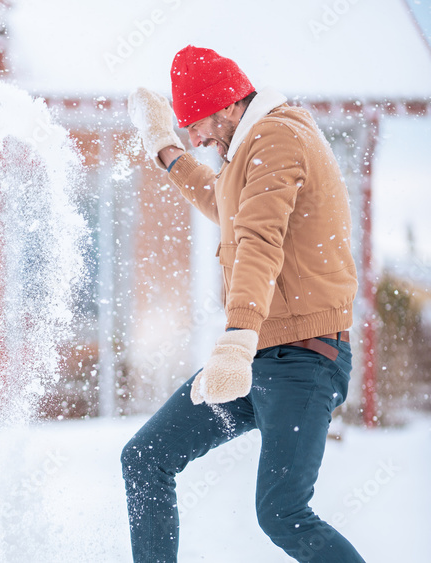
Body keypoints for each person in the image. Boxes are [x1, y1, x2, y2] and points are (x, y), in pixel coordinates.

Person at [122, 46, 364, 562]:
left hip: (303, 356)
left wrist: (236, 337)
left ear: (229, 105)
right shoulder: (249, 148)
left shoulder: (278, 137)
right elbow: (225, 203)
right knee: (146, 458)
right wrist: (163, 147)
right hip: (259, 356)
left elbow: (257, 239)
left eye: (197, 124)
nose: (197, 137)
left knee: (283, 512)